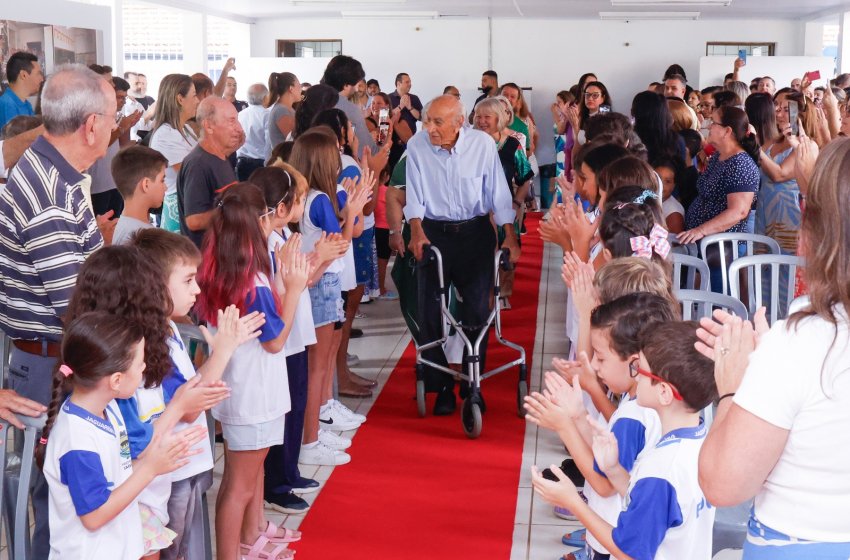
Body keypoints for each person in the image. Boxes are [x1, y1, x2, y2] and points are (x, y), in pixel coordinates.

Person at [698, 138, 850, 559]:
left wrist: (734, 385)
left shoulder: (802, 343)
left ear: (815, 235)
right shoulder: (794, 347)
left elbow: (723, 484)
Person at [0, 64, 117, 558]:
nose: (116, 127)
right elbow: (79, 303)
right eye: (112, 118)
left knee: (67, 501)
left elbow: (96, 270)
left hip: (57, 356)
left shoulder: (64, 176)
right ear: (91, 125)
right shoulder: (48, 191)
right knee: (63, 510)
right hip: (50, 362)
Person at [129, 228, 266, 559]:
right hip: (171, 471)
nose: (197, 289)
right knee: (176, 550)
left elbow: (191, 392)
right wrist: (222, 354)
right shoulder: (147, 343)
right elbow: (188, 408)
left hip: (185, 464)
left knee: (189, 546)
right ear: (156, 285)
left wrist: (224, 352)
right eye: (188, 280)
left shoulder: (169, 326)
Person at [532, 320, 718, 560]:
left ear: (664, 392)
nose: (636, 377)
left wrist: (573, 502)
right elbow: (655, 508)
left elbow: (629, 552)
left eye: (641, 371)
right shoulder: (699, 441)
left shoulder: (662, 470)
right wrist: (614, 470)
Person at [195, 182, 308, 560]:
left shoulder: (220, 268)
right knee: (238, 486)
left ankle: (246, 542)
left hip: (239, 389)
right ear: (258, 222)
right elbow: (275, 341)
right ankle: (233, 553)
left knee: (241, 478)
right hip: (254, 394)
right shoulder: (253, 282)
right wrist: (293, 289)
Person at [39, 312, 206, 559]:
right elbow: (94, 516)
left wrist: (158, 458)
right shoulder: (77, 440)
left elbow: (120, 474)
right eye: (140, 363)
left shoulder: (110, 410)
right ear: (116, 380)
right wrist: (150, 468)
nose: (145, 367)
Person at [524, 292, 673, 559]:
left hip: (613, 536)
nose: (593, 364)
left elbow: (604, 484)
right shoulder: (637, 399)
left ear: (635, 364)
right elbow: (605, 456)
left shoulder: (633, 416)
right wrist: (578, 416)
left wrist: (564, 427)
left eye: (601, 358)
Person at [405, 94, 520, 415]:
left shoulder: (481, 145)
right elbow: (414, 196)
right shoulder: (417, 147)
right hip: (434, 233)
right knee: (429, 310)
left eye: (437, 122)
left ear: (459, 122)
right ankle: (440, 383)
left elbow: (498, 194)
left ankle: (472, 382)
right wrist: (416, 231)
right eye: (428, 120)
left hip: (474, 235)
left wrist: (509, 235)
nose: (430, 128)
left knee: (477, 313)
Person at [251, 164, 346, 514]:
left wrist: (321, 259)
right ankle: (277, 483)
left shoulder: (280, 237)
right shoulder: (268, 243)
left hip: (295, 332)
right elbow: (285, 287)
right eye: (299, 199)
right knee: (287, 412)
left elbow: (300, 280)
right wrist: (319, 258)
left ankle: (288, 472)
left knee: (296, 404)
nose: (302, 206)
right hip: (283, 336)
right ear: (281, 207)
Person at [291, 129, 371, 464]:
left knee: (320, 365)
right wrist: (353, 208)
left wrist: (350, 207)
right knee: (319, 367)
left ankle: (316, 426)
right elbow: (343, 239)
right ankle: (310, 441)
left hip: (318, 280)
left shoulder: (311, 196)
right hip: (321, 283)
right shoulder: (320, 199)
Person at [680, 106, 760, 245]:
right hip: (703, 242)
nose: (709, 126)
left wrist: (700, 230)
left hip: (720, 246)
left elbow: (739, 212)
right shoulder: (719, 155)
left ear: (727, 131)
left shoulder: (740, 164)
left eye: (714, 122)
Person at [177, 96, 242, 248]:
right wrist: (238, 211)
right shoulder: (198, 164)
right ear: (209, 126)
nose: (239, 128)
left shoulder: (221, 157)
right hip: (207, 262)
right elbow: (193, 221)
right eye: (231, 121)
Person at [149, 74, 200, 232]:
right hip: (179, 209)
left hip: (190, 204)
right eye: (194, 95)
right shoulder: (166, 135)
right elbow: (192, 174)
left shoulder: (186, 129)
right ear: (180, 99)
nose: (198, 101)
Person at [89, 76, 142, 219]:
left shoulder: (118, 116)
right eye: (119, 97)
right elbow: (98, 145)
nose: (123, 102)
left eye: (125, 98)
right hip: (97, 184)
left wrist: (136, 141)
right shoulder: (94, 116)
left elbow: (122, 147)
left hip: (114, 182)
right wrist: (121, 128)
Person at [320, 55, 380, 160]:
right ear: (347, 84)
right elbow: (367, 151)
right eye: (357, 82)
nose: (358, 88)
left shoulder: (316, 99)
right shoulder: (349, 109)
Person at [112, 145, 168, 245]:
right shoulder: (144, 239)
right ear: (146, 184)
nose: (165, 187)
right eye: (162, 180)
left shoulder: (121, 226)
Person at [236, 83, 271, 181]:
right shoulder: (267, 115)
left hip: (241, 163)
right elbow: (269, 142)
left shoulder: (240, 115)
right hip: (261, 164)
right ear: (265, 97)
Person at [0, 52, 43, 129]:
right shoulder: (6, 104)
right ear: (23, 75)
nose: (41, 79)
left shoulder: (27, 105)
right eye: (38, 74)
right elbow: (14, 139)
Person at [388, 72, 422, 168]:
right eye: (407, 82)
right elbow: (385, 117)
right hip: (393, 145)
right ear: (398, 84)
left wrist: (410, 107)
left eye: (410, 82)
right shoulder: (388, 98)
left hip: (410, 143)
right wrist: (400, 106)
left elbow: (421, 117)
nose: (410, 84)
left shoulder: (414, 98)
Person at [266, 72, 300, 149]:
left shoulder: (288, 109)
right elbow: (295, 139)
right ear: (291, 88)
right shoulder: (281, 110)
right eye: (299, 86)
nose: (300, 89)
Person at [655, 158, 686, 234]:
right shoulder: (648, 198)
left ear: (674, 186)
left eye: (667, 181)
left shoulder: (674, 214)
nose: (660, 185)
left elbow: (674, 244)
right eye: (657, 178)